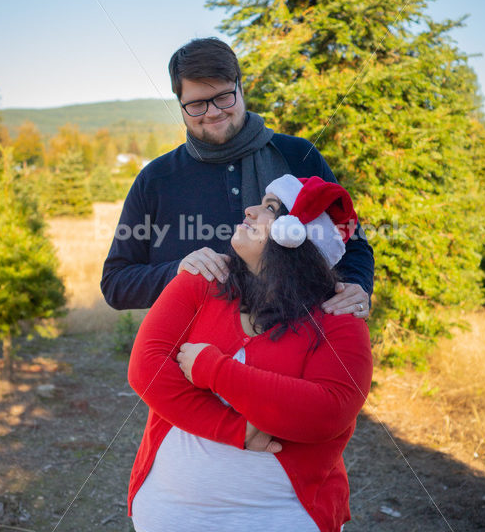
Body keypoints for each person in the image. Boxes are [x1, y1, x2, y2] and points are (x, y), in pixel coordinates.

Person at [127, 174, 373, 532]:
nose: (250, 210)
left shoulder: (337, 314)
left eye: (271, 207)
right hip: (170, 512)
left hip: (283, 517)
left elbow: (329, 410)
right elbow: (146, 371)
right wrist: (235, 429)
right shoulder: (202, 279)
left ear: (295, 234)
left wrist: (214, 370)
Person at [100, 38, 374, 317]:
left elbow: (352, 243)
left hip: (298, 344)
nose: (214, 112)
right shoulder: (155, 179)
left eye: (223, 97)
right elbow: (115, 283)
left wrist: (355, 286)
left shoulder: (299, 155)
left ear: (240, 87)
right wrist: (178, 271)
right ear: (180, 105)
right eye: (196, 105)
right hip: (189, 355)